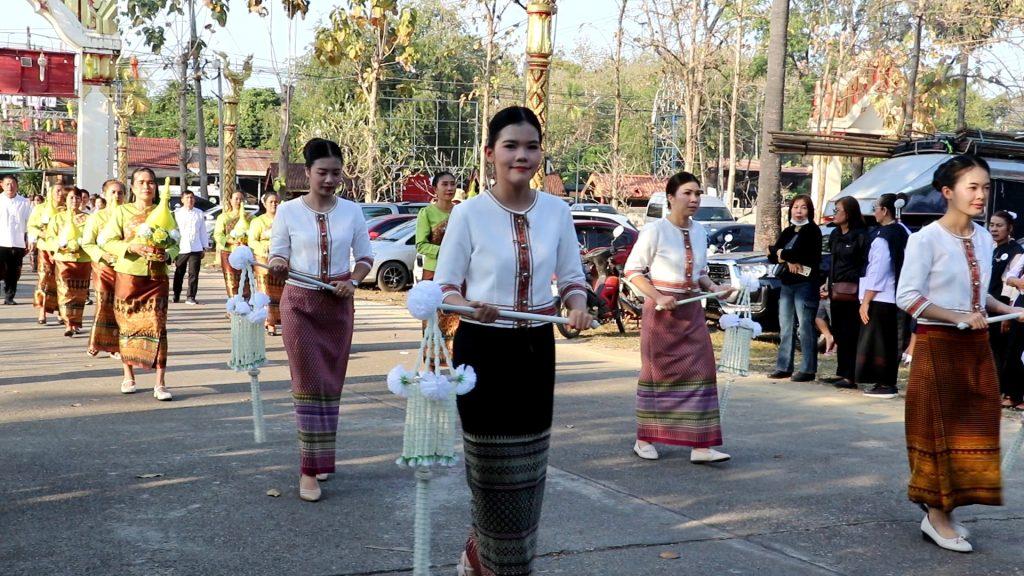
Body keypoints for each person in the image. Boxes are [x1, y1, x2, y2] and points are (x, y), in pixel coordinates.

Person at [433, 106, 593, 576]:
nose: (522, 155)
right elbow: (445, 287)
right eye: (510, 146)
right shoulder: (468, 214)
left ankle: (495, 560)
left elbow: (571, 277)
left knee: (529, 474)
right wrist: (467, 305)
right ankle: (491, 561)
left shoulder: (557, 211)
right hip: (481, 352)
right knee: (489, 474)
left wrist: (577, 305)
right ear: (489, 153)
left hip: (535, 352)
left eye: (531, 146)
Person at [896, 154, 1024, 553]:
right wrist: (958, 317)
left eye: (985, 187)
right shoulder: (925, 239)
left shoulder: (985, 239)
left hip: (976, 346)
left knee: (977, 426)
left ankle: (947, 510)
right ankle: (935, 515)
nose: (981, 195)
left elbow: (977, 293)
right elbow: (908, 297)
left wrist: (1005, 309)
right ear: (947, 192)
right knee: (938, 430)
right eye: (972, 186)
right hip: (938, 345)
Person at [267, 139, 374, 502]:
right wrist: (279, 264)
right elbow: (278, 253)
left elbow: (365, 257)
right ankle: (308, 470)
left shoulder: (352, 211)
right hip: (299, 304)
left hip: (338, 308)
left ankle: (322, 456)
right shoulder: (288, 211)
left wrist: (353, 281)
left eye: (335, 173)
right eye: (322, 172)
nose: (329, 180)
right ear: (308, 172)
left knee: (330, 385)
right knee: (308, 385)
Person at [624, 171, 734, 464]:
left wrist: (714, 289)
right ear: (671, 198)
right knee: (656, 376)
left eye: (697, 193)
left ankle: (701, 445)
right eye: (687, 193)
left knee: (703, 372)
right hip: (661, 317)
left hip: (692, 313)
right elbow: (633, 271)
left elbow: (700, 274)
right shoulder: (654, 230)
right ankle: (644, 437)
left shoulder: (700, 231)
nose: (694, 199)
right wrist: (658, 296)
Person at [100, 168, 179, 400]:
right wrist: (130, 247)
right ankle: (128, 375)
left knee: (157, 326)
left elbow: (176, 242)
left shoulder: (164, 212)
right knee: (127, 327)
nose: (147, 187)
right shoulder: (121, 212)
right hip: (128, 277)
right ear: (133, 188)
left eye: (151, 183)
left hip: (156, 279)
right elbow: (106, 241)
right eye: (141, 182)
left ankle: (160, 383)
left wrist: (168, 255)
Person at [855, 193, 910, 399]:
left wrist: (866, 301)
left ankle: (885, 382)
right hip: (893, 295)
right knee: (888, 340)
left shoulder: (883, 236)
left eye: (875, 208)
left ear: (885, 210)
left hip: (881, 297)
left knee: (880, 343)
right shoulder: (903, 231)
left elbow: (878, 270)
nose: (874, 212)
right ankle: (884, 381)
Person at [767, 195, 822, 382]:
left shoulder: (813, 231)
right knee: (785, 326)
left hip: (805, 284)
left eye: (804, 207)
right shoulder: (788, 230)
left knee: (805, 327)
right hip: (787, 284)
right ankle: (784, 366)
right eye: (796, 207)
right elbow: (771, 253)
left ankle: (808, 369)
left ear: (810, 211)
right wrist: (786, 257)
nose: (799, 211)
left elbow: (802, 254)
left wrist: (783, 254)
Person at [822, 196, 868, 388]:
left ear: (848, 213)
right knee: (839, 331)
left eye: (838, 210)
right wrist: (827, 283)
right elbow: (832, 262)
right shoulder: (834, 235)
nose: (834, 214)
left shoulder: (861, 235)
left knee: (851, 332)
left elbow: (865, 264)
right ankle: (842, 371)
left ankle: (851, 375)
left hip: (854, 291)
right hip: (836, 289)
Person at [414, 171, 459, 352]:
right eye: (445, 184)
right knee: (433, 320)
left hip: (458, 273)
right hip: (433, 274)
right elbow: (421, 245)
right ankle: (431, 368)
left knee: (458, 320)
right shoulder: (426, 213)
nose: (450, 188)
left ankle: (458, 369)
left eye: (453, 184)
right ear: (435, 189)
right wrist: (446, 252)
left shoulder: (461, 211)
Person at [986, 211, 1024, 407]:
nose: (994, 229)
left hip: (1003, 307)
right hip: (987, 304)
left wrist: (1007, 314)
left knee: (1005, 350)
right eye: (991, 224)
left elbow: (1009, 285)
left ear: (1009, 228)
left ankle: (1008, 391)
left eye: (999, 225)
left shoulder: (1015, 250)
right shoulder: (989, 249)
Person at [47, 187, 93, 337]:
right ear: (65, 200)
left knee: (80, 294)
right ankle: (68, 323)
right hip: (64, 259)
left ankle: (76, 322)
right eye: (71, 198)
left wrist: (81, 243)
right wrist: (60, 244)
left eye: (77, 198)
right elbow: (50, 238)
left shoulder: (88, 218)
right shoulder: (57, 218)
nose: (75, 201)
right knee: (65, 291)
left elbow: (92, 237)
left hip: (83, 259)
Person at [248, 192, 283, 335]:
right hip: (263, 260)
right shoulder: (258, 221)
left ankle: (281, 319)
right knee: (266, 291)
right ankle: (269, 322)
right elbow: (252, 240)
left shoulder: (283, 220)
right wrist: (263, 248)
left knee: (280, 292)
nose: (274, 204)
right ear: (264, 204)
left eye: (276, 202)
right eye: (271, 202)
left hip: (281, 259)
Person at [28, 186, 62, 325]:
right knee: (44, 281)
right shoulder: (40, 208)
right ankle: (42, 311)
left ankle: (62, 312)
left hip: (62, 251)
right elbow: (31, 226)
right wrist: (42, 234)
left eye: (62, 191)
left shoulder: (66, 209)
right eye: (57, 191)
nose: (60, 194)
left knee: (61, 282)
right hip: (45, 249)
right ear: (50, 193)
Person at [0, 174, 33, 305]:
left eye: (13, 183)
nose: (10, 186)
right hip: (1, 241)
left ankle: (9, 296)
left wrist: (31, 239)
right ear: (1, 185)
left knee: (13, 272)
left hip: (17, 242)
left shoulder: (25, 203)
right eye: (7, 183)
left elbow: (30, 223)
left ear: (17, 185)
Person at [173, 190, 209, 305]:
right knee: (179, 272)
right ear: (182, 200)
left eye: (192, 198)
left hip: (196, 247)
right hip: (182, 247)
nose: (190, 200)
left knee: (194, 273)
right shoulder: (176, 213)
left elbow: (202, 231)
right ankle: (176, 294)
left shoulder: (199, 213)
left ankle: (191, 296)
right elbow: (173, 231)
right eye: (187, 197)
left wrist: (204, 247)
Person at [214, 191, 249, 298]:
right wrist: (231, 241)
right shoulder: (223, 217)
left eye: (241, 199)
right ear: (230, 201)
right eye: (236, 199)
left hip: (244, 253)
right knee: (232, 282)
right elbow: (218, 235)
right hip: (228, 252)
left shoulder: (250, 218)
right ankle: (233, 306)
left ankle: (245, 307)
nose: (239, 201)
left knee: (245, 281)